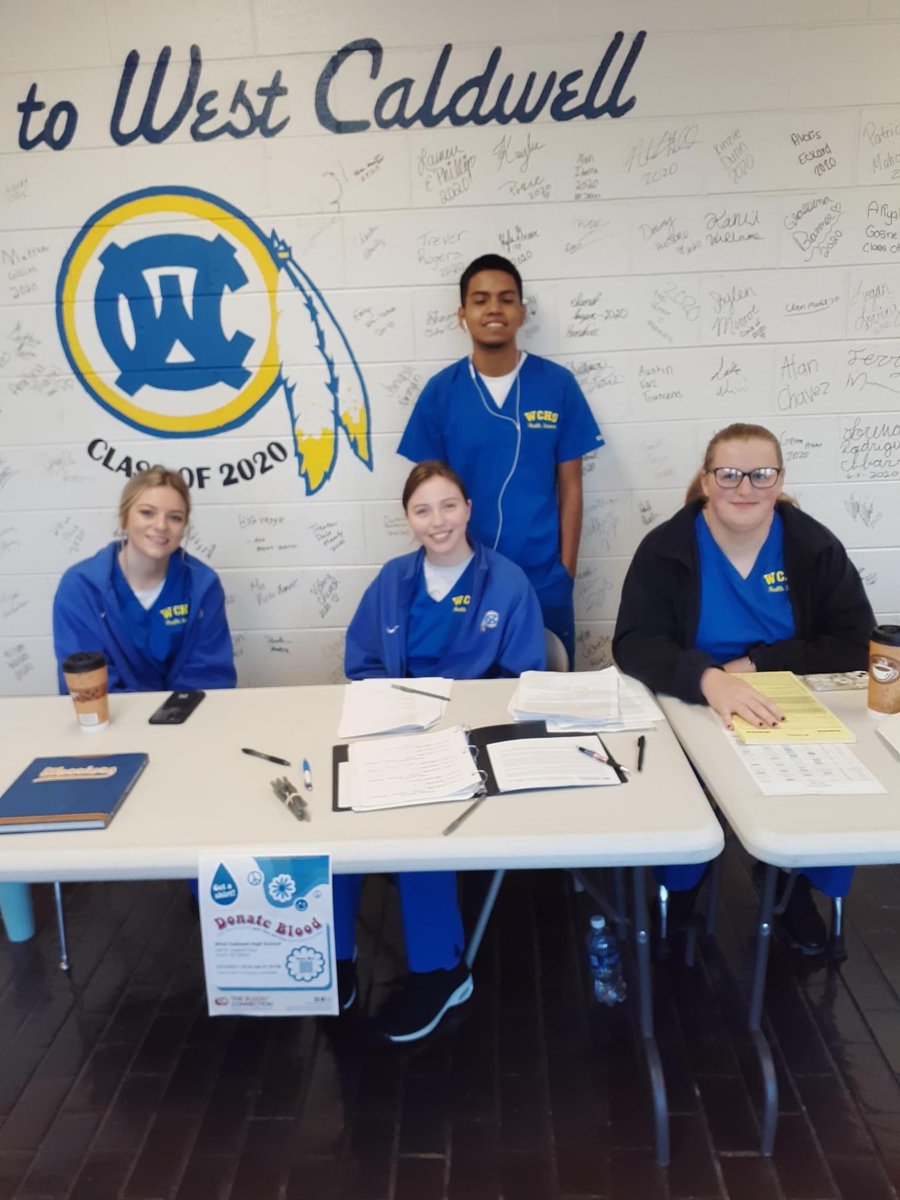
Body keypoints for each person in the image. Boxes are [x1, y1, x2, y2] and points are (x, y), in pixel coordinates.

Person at [613, 423, 874, 955]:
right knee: (681, 800)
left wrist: (758, 664)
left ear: (779, 481)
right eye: (729, 474)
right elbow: (635, 643)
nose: (745, 488)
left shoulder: (812, 546)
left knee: (836, 787)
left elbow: (853, 643)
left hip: (787, 703)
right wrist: (707, 679)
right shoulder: (666, 548)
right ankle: (682, 888)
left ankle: (791, 887)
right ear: (707, 481)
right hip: (691, 703)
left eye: (761, 474)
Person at [338, 461, 546, 1041]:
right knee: (336, 819)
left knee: (422, 826)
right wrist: (395, 715)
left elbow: (522, 682)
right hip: (397, 733)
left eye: (449, 505)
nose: (438, 521)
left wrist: (452, 723)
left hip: (473, 743)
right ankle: (332, 960)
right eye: (422, 509)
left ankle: (442, 971)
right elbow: (361, 664)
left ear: (469, 509)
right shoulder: (392, 579)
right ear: (408, 519)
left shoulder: (507, 583)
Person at [398, 254, 604, 666]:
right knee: (468, 691)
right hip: (462, 573)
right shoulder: (441, 393)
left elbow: (571, 488)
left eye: (507, 299)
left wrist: (565, 571)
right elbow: (426, 497)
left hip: (543, 576)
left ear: (522, 313)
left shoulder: (556, 385)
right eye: (481, 299)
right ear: (462, 314)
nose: (494, 308)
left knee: (548, 693)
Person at [53, 466, 236, 693]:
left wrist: (169, 721)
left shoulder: (203, 586)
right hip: (110, 722)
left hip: (185, 720)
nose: (161, 526)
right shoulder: (81, 588)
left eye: (175, 517)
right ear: (124, 518)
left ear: (184, 528)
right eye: (147, 512)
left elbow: (210, 677)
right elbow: (85, 682)